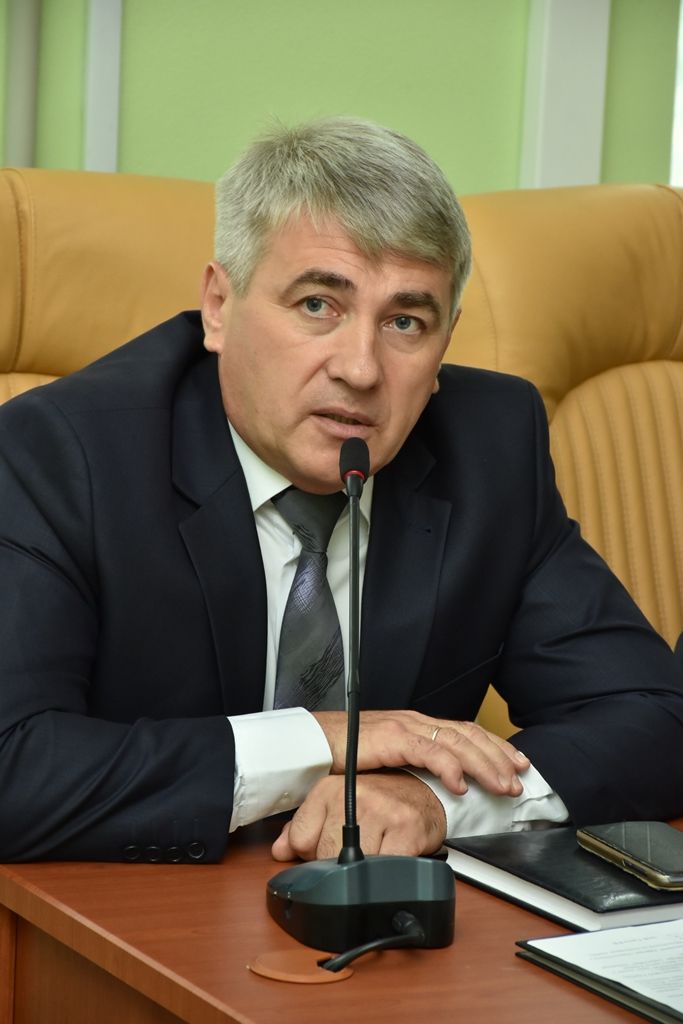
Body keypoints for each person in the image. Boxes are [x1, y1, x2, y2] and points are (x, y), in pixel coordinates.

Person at [1, 118, 682, 865]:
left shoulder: (489, 448)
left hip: (384, 916)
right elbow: (14, 764)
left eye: (405, 322)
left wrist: (435, 800)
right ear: (219, 306)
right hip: (131, 909)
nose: (360, 369)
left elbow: (654, 718)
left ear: (445, 342)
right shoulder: (61, 452)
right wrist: (316, 743)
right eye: (317, 305)